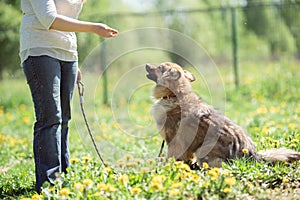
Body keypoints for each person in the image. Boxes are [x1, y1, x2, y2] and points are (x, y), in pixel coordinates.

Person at [19, 0, 118, 193]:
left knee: (64, 118)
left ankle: (62, 176)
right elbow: (50, 19)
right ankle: (48, 183)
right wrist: (94, 28)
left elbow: (68, 24)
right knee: (50, 118)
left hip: (67, 56)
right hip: (40, 51)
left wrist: (73, 60)